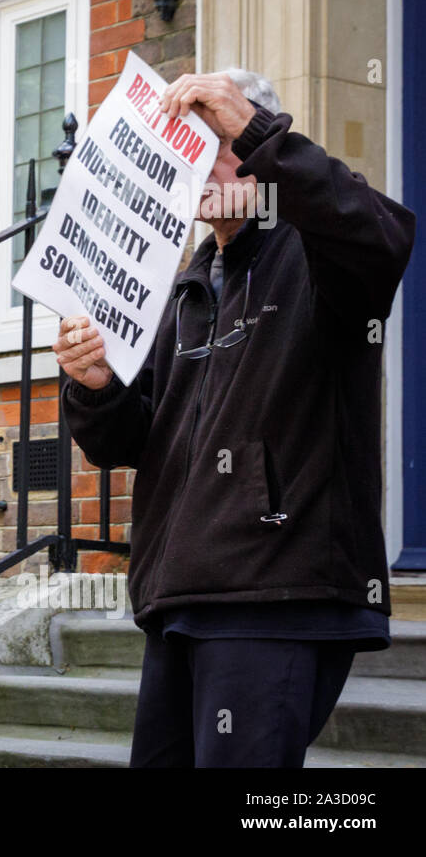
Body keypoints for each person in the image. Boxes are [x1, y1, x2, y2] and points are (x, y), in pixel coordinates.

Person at [54, 69, 415, 767]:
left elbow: (380, 236)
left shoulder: (312, 252)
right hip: (180, 593)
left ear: (259, 156)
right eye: (191, 150)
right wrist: (95, 387)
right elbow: (129, 440)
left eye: (220, 145)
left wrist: (255, 129)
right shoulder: (187, 284)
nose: (206, 165)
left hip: (272, 592)